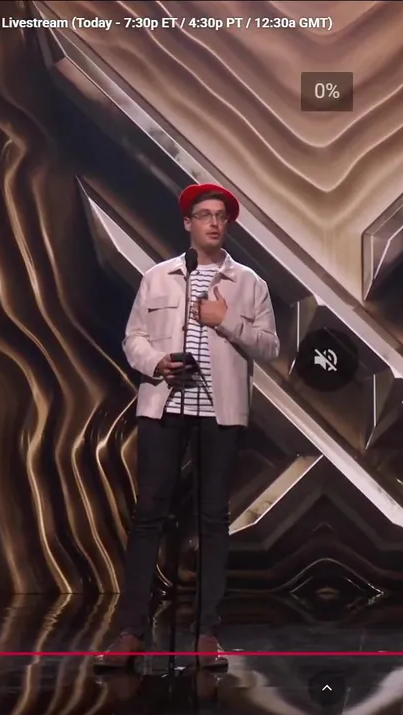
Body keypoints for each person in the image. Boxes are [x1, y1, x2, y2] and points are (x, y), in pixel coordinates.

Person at [97, 183, 279, 669]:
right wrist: (157, 363)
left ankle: (207, 633)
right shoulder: (158, 277)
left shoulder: (250, 283)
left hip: (221, 413)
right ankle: (130, 631)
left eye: (221, 216)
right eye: (204, 215)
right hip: (164, 407)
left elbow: (269, 347)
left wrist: (226, 320)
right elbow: (133, 338)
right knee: (149, 514)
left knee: (213, 518)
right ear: (188, 224)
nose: (214, 223)